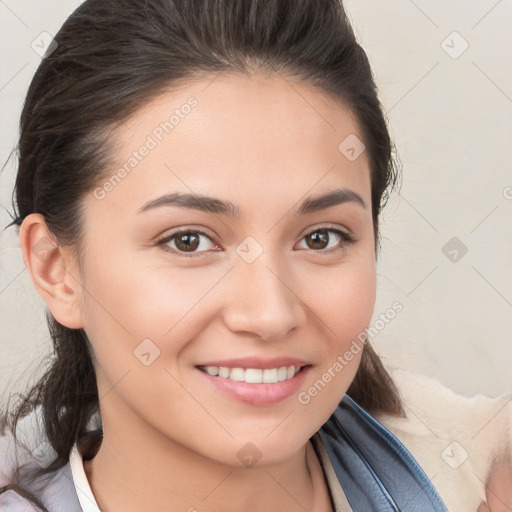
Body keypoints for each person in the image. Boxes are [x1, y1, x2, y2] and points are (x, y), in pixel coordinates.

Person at [0, 0, 509, 510]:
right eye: (188, 241)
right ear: (56, 268)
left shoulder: (473, 472)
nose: (269, 314)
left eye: (320, 237)